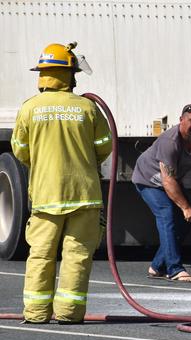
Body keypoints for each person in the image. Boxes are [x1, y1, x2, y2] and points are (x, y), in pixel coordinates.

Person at [11, 42, 112, 324]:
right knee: (77, 256)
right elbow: (104, 146)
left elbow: (20, 150)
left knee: (41, 256)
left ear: (42, 74)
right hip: (84, 194)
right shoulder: (87, 108)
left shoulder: (30, 108)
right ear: (71, 74)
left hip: (46, 195)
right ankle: (69, 313)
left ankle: (36, 313)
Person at [132, 104, 191, 282]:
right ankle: (174, 269)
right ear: (181, 120)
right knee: (167, 214)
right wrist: (185, 208)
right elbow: (167, 181)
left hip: (171, 180)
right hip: (148, 179)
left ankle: (157, 266)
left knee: (187, 222)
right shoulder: (170, 141)